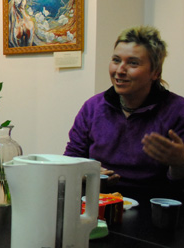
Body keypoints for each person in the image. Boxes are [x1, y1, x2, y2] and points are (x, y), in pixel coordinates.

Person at [64, 26, 184, 199]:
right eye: (116, 60)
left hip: (152, 206)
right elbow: (70, 161)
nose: (120, 70)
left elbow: (177, 188)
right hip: (98, 203)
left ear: (155, 73)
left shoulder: (177, 110)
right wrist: (87, 173)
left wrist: (179, 164)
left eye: (133, 63)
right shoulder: (93, 107)